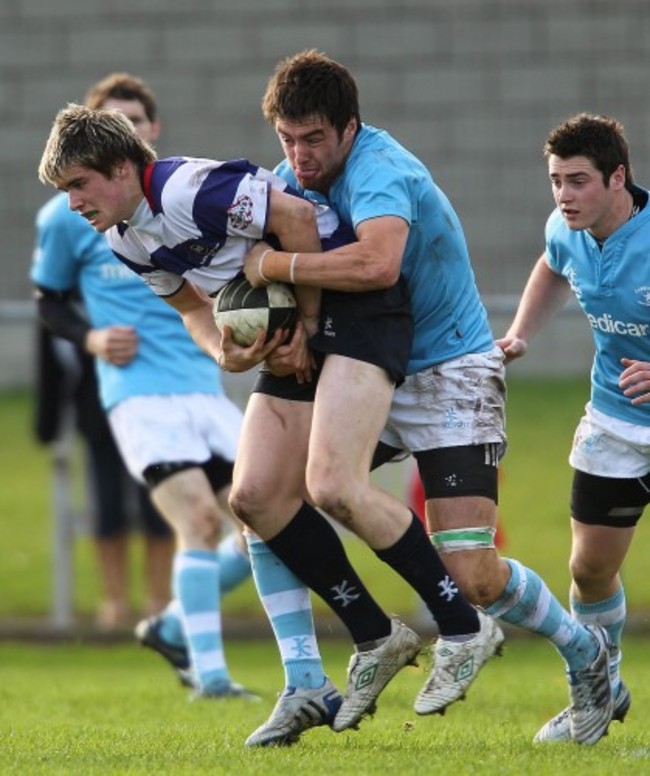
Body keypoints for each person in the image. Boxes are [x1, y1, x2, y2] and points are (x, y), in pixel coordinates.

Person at [37, 101, 504, 741]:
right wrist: (224, 351)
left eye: (77, 186)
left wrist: (307, 325)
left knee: (332, 486)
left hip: (358, 308)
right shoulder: (123, 236)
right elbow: (193, 311)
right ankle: (374, 636)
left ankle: (462, 624)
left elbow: (296, 216)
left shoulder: (185, 188)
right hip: (297, 320)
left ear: (120, 168)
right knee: (254, 499)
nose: (72, 205)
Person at [237, 50, 614, 747]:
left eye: (314, 137)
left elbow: (377, 262)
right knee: (264, 500)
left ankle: (584, 651)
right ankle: (303, 679)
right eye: (288, 138)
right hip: (365, 368)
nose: (300, 154)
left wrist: (276, 266)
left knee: (471, 571)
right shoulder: (290, 180)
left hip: (449, 372)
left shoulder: (383, 170)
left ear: (350, 127)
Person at [32, 73, 253, 699]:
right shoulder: (68, 212)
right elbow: (48, 300)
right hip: (136, 391)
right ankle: (211, 678)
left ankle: (173, 626)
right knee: (199, 521)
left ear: (149, 134)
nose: (124, 131)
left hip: (202, 383)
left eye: (133, 123)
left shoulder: (176, 204)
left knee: (270, 518)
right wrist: (94, 339)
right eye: (112, 121)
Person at [497, 112, 643, 743]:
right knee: (587, 568)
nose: (563, 195)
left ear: (618, 178)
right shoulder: (566, 228)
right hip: (613, 420)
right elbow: (551, 266)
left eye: (578, 181)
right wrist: (521, 333)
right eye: (556, 180)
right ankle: (599, 688)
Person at [33, 315, 174, 629]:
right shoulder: (67, 293)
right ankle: (114, 600)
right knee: (107, 507)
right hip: (99, 415)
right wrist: (48, 424)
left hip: (154, 412)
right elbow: (53, 361)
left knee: (160, 508)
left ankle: (159, 600)